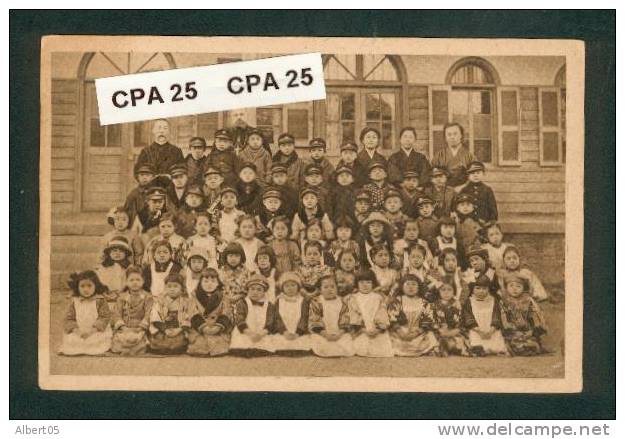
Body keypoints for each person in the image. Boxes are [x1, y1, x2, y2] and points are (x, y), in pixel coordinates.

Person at [58, 270, 112, 356]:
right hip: (79, 330)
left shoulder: (100, 300)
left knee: (96, 340)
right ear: (77, 287)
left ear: (96, 286)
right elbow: (69, 318)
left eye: (89, 286)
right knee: (72, 339)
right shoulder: (75, 301)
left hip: (95, 330)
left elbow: (104, 317)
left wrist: (93, 331)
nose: (86, 289)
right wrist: (76, 331)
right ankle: (78, 346)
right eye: (82, 286)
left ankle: (92, 347)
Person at [388, 274, 440, 356]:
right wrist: (401, 333)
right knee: (390, 341)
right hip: (400, 332)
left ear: (419, 287)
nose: (410, 287)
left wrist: (415, 333)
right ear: (402, 287)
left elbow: (428, 320)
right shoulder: (397, 300)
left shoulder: (424, 302)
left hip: (418, 332)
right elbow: (392, 318)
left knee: (430, 338)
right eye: (407, 284)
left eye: (414, 284)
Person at [347, 269, 393, 357]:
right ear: (357, 284)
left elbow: (382, 313)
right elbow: (353, 315)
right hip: (361, 329)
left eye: (368, 282)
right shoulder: (353, 298)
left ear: (373, 284)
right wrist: (363, 329)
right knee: (358, 346)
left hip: (375, 328)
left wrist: (378, 329)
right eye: (361, 282)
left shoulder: (378, 297)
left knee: (382, 348)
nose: (365, 285)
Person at [187, 267, 232, 356]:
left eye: (213, 281)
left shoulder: (223, 296)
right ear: (200, 283)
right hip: (201, 328)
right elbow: (192, 312)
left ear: (218, 283)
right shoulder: (195, 296)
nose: (209, 284)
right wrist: (203, 327)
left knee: (220, 344)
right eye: (206, 281)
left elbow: (226, 312)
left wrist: (218, 326)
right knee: (199, 344)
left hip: (217, 326)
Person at [500, 273, 547, 356]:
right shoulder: (504, 301)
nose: (515, 289)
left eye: (518, 286)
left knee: (531, 343)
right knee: (514, 342)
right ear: (506, 288)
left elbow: (534, 315)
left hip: (527, 330)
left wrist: (532, 330)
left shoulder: (528, 301)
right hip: (512, 330)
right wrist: (511, 328)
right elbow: (503, 317)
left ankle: (529, 345)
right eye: (511, 286)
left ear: (523, 288)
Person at [229, 274, 277, 356]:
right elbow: (240, 320)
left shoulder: (269, 305)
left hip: (261, 332)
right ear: (248, 290)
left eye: (259, 290)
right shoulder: (243, 303)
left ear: (264, 292)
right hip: (245, 331)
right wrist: (250, 334)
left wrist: (261, 334)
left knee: (266, 344)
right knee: (241, 343)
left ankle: (258, 349)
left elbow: (270, 322)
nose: (255, 292)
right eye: (252, 289)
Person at [461, 274, 509, 356]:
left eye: (484, 288)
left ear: (488, 289)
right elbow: (468, 317)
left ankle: (494, 349)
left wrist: (491, 331)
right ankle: (478, 349)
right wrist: (479, 331)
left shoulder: (493, 301)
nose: (481, 291)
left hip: (491, 329)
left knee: (497, 344)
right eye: (478, 288)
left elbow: (496, 316)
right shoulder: (469, 302)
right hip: (476, 329)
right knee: (474, 342)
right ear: (472, 289)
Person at [110, 265, 153, 355]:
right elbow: (117, 313)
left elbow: (149, 314)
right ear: (126, 282)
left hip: (140, 328)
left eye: (138, 280)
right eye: (131, 280)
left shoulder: (147, 297)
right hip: (124, 327)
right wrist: (123, 327)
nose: (135, 283)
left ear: (143, 281)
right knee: (120, 341)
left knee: (138, 341)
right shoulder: (122, 297)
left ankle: (135, 348)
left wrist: (140, 327)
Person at [308, 274, 354, 357]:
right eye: (325, 287)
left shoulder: (342, 302)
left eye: (332, 287)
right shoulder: (316, 302)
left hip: (339, 333)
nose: (330, 290)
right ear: (320, 290)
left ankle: (337, 348)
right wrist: (325, 334)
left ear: (337, 289)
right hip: (323, 333)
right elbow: (314, 320)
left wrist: (340, 333)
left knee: (347, 339)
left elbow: (346, 318)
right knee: (316, 339)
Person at [148, 273, 193, 354]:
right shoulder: (160, 301)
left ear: (182, 289)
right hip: (163, 328)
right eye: (169, 286)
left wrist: (179, 329)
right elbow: (155, 316)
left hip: (179, 329)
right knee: (159, 341)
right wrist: (165, 329)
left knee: (179, 342)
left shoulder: (186, 302)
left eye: (175, 286)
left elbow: (188, 316)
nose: (172, 289)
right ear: (165, 288)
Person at [272, 271, 311, 354]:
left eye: (293, 285)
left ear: (298, 287)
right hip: (283, 332)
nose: (290, 288)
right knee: (276, 341)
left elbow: (304, 317)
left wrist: (298, 332)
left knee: (305, 342)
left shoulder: (303, 300)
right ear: (282, 288)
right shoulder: (279, 300)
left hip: (299, 332)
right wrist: (284, 331)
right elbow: (276, 318)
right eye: (287, 286)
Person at [431, 122, 475, 188]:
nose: (452, 137)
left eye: (455, 134)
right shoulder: (439, 155)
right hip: (443, 191)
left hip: (464, 191)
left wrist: (462, 187)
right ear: (445, 137)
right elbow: (433, 175)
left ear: (461, 135)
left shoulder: (469, 156)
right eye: (449, 134)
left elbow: (474, 176)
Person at [432, 280, 469, 356]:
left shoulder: (458, 305)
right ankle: (443, 348)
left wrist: (454, 331)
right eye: (443, 290)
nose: (446, 292)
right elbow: (433, 320)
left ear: (454, 291)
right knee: (432, 338)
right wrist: (440, 330)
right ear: (439, 291)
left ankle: (450, 348)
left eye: (449, 290)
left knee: (460, 340)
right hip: (440, 332)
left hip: (454, 331)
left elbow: (461, 321)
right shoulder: (434, 305)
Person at [96, 236, 133, 303]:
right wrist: (105, 292)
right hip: (106, 294)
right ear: (109, 253)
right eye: (114, 251)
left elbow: (131, 281)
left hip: (123, 294)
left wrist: (121, 293)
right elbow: (99, 280)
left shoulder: (128, 267)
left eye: (121, 251)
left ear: (126, 254)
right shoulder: (104, 266)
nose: (117, 253)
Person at [219, 242, 253, 307]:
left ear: (241, 257)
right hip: (224, 302)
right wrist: (226, 298)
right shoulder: (221, 272)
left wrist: (239, 297)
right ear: (226, 257)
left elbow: (249, 289)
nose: (233, 259)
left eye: (237, 256)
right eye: (230, 256)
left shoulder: (246, 272)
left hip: (242, 302)